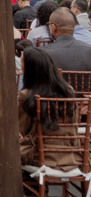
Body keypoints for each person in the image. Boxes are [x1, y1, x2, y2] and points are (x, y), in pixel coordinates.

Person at [18, 47, 77, 176]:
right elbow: (75, 122)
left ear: (29, 69)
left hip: (39, 157)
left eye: (22, 62)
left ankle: (27, 190)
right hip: (72, 156)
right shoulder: (68, 91)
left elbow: (22, 129)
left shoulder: (26, 95)